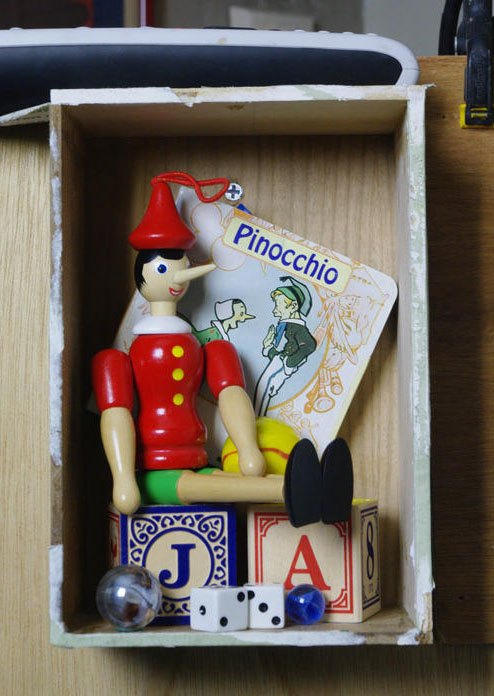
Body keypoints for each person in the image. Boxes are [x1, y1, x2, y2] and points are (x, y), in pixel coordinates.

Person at [92, 172, 353, 528]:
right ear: (142, 275)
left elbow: (231, 393)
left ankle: (318, 491)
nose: (178, 276)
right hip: (151, 474)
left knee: (222, 482)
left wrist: (249, 452)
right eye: (165, 268)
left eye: (182, 266)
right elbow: (116, 413)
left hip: (199, 457)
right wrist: (123, 480)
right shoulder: (118, 358)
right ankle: (302, 491)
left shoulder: (211, 348)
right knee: (208, 487)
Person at [254, 276, 316, 416]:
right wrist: (268, 348)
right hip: (278, 361)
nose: (275, 310)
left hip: (284, 363)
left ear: (293, 306)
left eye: (278, 305)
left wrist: (290, 362)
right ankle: (257, 415)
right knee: (262, 388)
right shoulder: (284, 326)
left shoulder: (298, 328)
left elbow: (309, 345)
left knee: (266, 387)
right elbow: (279, 350)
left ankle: (258, 417)